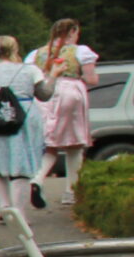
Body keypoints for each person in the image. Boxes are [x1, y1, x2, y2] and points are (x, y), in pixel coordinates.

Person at [0, 34, 52, 217]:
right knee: (21, 169)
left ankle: (5, 207)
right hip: (23, 120)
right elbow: (45, 95)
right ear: (15, 49)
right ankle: (19, 213)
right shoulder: (30, 71)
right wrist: (53, 76)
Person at [35, 20, 96, 205]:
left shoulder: (38, 53)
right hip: (70, 92)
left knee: (51, 144)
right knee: (74, 144)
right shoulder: (80, 51)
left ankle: (37, 179)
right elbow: (91, 79)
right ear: (72, 32)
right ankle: (70, 192)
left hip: (46, 93)